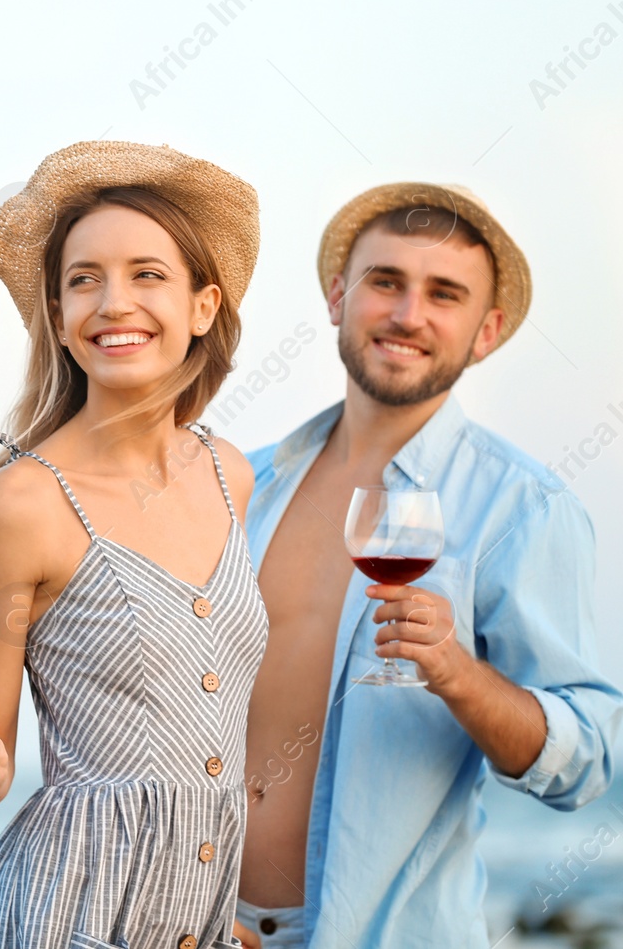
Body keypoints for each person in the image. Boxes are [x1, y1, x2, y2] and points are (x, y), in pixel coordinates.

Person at [231, 183, 623, 948]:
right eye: (386, 282)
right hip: (203, 932)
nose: (408, 315)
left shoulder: (522, 508)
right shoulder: (243, 485)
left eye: (444, 294)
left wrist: (456, 671)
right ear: (339, 296)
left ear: (486, 331)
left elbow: (590, 761)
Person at [0, 140, 268, 949]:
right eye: (83, 279)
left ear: (203, 307)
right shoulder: (16, 507)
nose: (113, 302)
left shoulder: (229, 472)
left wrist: (218, 913)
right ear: (61, 322)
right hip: (64, 916)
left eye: (147, 274)